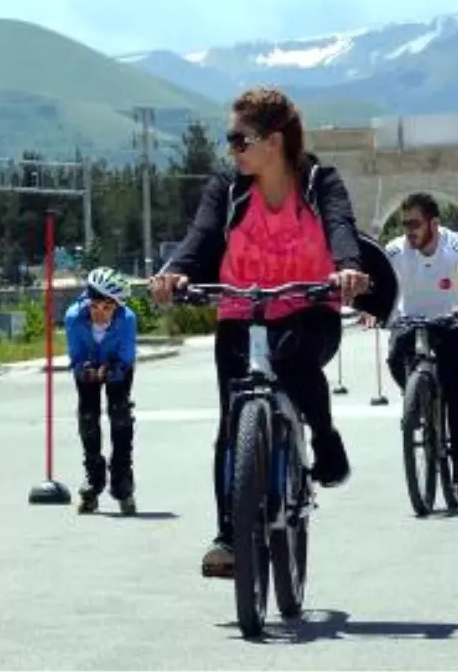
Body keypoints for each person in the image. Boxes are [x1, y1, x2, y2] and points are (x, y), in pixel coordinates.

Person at [148, 86, 373, 579]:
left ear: (274, 140)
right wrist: (174, 271)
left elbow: (341, 227)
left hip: (308, 309)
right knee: (231, 422)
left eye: (238, 139)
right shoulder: (228, 190)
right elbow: (201, 236)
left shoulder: (319, 181)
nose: (232, 149)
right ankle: (228, 535)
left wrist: (347, 268)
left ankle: (324, 436)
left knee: (293, 359)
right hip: (240, 312)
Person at [377, 192, 458, 494]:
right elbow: (380, 284)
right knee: (396, 355)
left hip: (451, 322)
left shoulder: (457, 245)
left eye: (415, 224)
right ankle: (419, 402)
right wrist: (374, 311)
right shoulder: (395, 250)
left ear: (434, 223)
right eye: (403, 224)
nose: (408, 231)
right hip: (410, 322)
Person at [64, 267, 139, 514]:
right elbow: (75, 358)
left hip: (117, 367)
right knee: (88, 417)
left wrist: (110, 369)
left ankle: (122, 480)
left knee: (119, 415)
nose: (101, 314)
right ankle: (93, 479)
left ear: (117, 306)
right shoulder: (74, 317)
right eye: (95, 306)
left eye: (108, 308)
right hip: (88, 366)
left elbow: (127, 358)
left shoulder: (127, 319)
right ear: (87, 301)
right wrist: (85, 369)